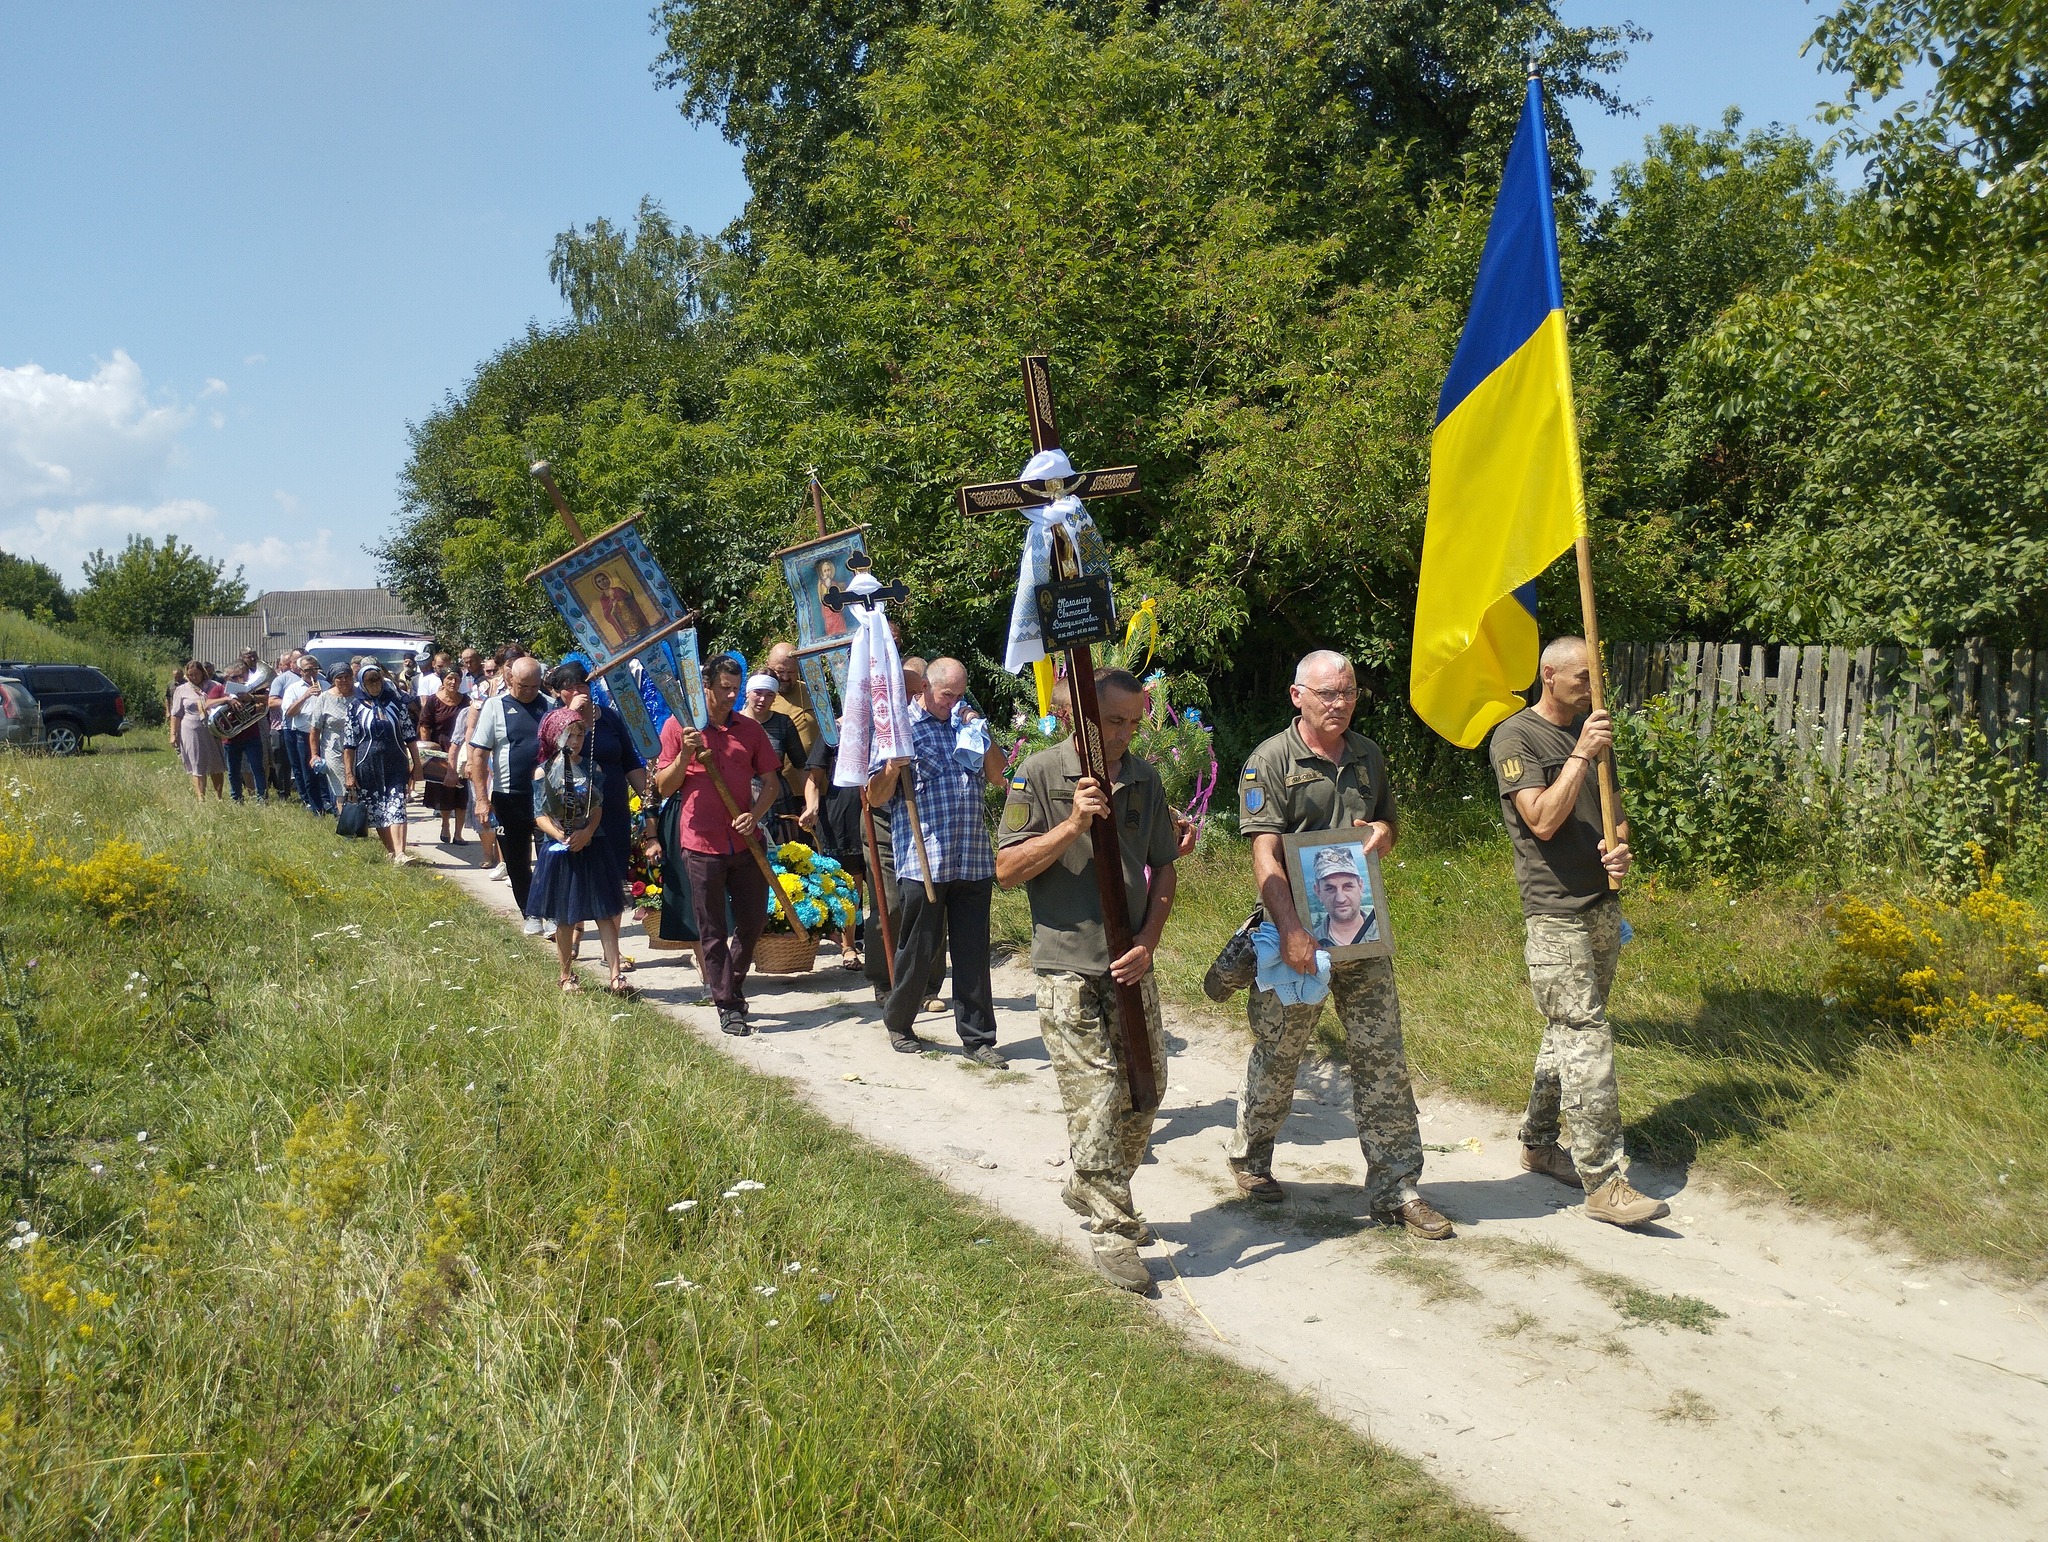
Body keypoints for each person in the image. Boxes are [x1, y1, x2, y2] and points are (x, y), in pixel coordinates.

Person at [1229, 650, 1451, 1239]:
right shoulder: (1269, 762)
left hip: (1361, 932)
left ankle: (1397, 1187)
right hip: (1291, 935)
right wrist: (1294, 931)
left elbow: (1386, 829)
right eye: (1328, 693)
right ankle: (1252, 1157)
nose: (1340, 703)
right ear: (1297, 695)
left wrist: (1383, 834)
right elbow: (1265, 854)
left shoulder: (1368, 756)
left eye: (1348, 693)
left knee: (1382, 1056)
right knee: (1281, 1050)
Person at [995, 668, 1180, 1292]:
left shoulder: (1145, 779)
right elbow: (1007, 869)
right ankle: (1113, 1229)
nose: (1125, 733)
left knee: (1146, 1088)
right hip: (1065, 963)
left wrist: (1149, 944)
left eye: (1134, 721)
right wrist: (1072, 824)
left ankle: (1089, 1182)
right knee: (1097, 1094)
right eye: (1113, 721)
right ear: (1081, 716)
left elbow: (1163, 868)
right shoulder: (1041, 773)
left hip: (1128, 961)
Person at [1489, 636, 1666, 1228]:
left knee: (1564, 1031)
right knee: (1586, 1034)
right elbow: (1539, 819)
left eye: (1597, 677)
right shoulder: (1518, 737)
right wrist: (1581, 756)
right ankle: (1603, 1179)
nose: (1594, 687)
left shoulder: (1593, 734)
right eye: (1583, 677)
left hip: (1600, 906)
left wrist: (1620, 850)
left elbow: (1613, 814)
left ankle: (1539, 1144)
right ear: (1549, 675)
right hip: (1554, 911)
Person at [866, 657, 1008, 1064]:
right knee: (920, 947)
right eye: (948, 695)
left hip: (973, 857)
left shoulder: (967, 725)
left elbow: (1000, 776)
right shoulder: (900, 730)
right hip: (925, 859)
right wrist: (893, 766)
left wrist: (980, 729)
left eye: (960, 694)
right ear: (924, 688)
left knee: (973, 951)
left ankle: (979, 1038)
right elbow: (875, 796)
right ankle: (899, 1021)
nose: (954, 702)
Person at [650, 655, 782, 1035]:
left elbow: (771, 783)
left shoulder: (750, 730)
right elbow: (663, 787)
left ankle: (732, 984)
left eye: (734, 688)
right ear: (704, 686)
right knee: (711, 929)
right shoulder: (679, 727)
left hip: (745, 842)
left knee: (753, 921)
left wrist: (754, 815)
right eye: (723, 688)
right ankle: (727, 1004)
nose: (730, 695)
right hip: (700, 842)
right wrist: (687, 754)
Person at [526, 699, 631, 993]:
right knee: (565, 916)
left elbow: (597, 807)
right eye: (569, 735)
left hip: (592, 845)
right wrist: (559, 835)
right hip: (560, 850)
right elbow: (539, 814)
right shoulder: (543, 771)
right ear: (555, 736)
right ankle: (565, 974)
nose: (576, 741)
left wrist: (588, 831)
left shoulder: (592, 767)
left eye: (580, 734)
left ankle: (615, 975)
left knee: (606, 912)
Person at [468, 657, 554, 921]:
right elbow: (479, 756)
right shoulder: (495, 706)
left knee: (549, 859)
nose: (529, 692)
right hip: (508, 797)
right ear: (510, 680)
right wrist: (482, 800)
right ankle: (530, 913)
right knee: (517, 863)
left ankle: (549, 914)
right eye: (523, 686)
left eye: (534, 686)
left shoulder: (550, 706)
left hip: (545, 798)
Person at [800, 717, 868, 974]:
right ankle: (848, 946)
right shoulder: (834, 729)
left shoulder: (887, 724)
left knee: (887, 886)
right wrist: (813, 806)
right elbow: (814, 778)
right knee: (849, 888)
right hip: (841, 818)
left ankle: (888, 946)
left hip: (881, 814)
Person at [342, 663, 420, 864]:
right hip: (367, 766)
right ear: (362, 684)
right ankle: (393, 852)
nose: (375, 685)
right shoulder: (355, 707)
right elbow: (349, 744)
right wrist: (349, 774)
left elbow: (410, 737)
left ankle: (401, 853)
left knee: (396, 806)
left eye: (377, 680)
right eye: (370, 681)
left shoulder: (396, 704)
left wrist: (417, 765)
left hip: (396, 763)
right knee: (378, 811)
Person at [739, 673, 809, 846]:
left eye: (769, 694)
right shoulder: (733, 723)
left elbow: (801, 765)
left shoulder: (783, 723)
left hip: (777, 794)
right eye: (758, 692)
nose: (762, 699)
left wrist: (810, 802)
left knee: (782, 854)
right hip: (742, 795)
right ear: (748, 693)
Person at [417, 673, 471, 843]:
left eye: (456, 679)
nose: (453, 682)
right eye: (449, 678)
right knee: (445, 790)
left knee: (462, 791)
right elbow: (424, 725)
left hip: (461, 748)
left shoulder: (466, 700)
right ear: (443, 680)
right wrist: (428, 751)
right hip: (439, 748)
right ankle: (445, 824)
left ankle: (458, 834)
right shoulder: (433, 700)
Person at [277, 654, 328, 812]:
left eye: (314, 669)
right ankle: (315, 807)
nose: (312, 673)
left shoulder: (326, 685)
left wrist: (323, 697)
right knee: (308, 772)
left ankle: (328, 803)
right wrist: (305, 696)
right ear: (300, 671)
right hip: (303, 734)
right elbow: (289, 713)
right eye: (307, 670)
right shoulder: (293, 689)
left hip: (324, 735)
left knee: (326, 770)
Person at [168, 661, 226, 799]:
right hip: (191, 730)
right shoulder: (181, 690)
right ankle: (201, 797)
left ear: (203, 673)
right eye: (190, 675)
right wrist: (173, 734)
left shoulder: (214, 686)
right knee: (197, 763)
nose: (193, 677)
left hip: (213, 730)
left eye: (196, 674)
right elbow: (175, 714)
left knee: (216, 763)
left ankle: (219, 796)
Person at [306, 661, 356, 811]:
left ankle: (360, 821)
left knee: (358, 784)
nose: (344, 681)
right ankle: (346, 823)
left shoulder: (359, 696)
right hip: (333, 749)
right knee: (342, 786)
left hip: (358, 748)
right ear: (333, 680)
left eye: (347, 676)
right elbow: (315, 729)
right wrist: (315, 755)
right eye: (339, 677)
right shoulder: (324, 698)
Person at [217, 661, 268, 803]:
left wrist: (251, 698)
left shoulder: (252, 688)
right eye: (234, 677)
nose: (239, 680)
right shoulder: (220, 689)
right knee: (233, 771)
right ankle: (236, 798)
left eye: (241, 676)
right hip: (230, 737)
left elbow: (268, 699)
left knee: (257, 768)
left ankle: (262, 798)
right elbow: (207, 704)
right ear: (227, 678)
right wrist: (228, 700)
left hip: (251, 735)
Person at [1308, 846, 1377, 948]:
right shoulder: (1309, 943)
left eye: (1348, 887)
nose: (1340, 899)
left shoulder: (1383, 932)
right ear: (1318, 892)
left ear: (1360, 886)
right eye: (1330, 888)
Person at [762, 641, 820, 759]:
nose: (785, 677)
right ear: (768, 666)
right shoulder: (759, 697)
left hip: (815, 775)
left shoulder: (813, 692)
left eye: (791, 672)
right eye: (780, 671)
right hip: (776, 776)